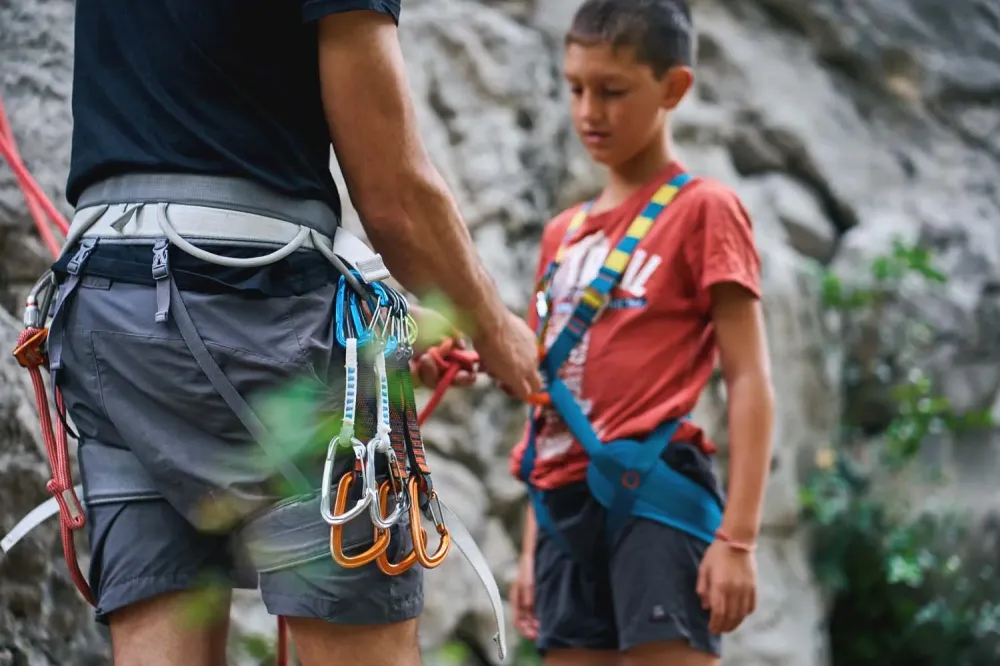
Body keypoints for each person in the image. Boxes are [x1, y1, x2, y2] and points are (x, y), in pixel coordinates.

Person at [48, 2, 541, 665]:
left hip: (107, 316)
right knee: (365, 639)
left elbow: (205, 155)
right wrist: (501, 335)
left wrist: (399, 322)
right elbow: (396, 193)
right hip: (248, 315)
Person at [506, 1, 776, 665]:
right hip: (560, 510)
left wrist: (738, 538)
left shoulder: (703, 210)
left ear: (674, 88)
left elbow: (748, 375)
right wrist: (529, 545)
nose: (589, 112)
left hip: (653, 492)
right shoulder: (561, 237)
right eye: (576, 89)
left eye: (613, 91)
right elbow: (547, 397)